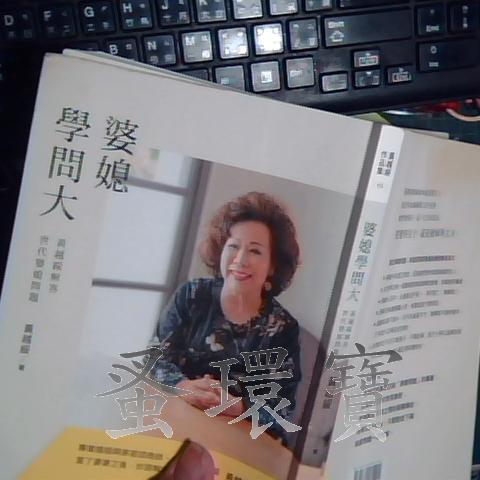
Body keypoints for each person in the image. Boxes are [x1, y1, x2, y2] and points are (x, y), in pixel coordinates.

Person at [148, 192, 302, 440]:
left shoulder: (282, 328)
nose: (240, 260)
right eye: (233, 246)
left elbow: (281, 412)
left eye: (255, 251)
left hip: (238, 437)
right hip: (176, 420)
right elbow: (155, 360)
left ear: (272, 266)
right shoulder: (192, 295)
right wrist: (184, 386)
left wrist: (236, 406)